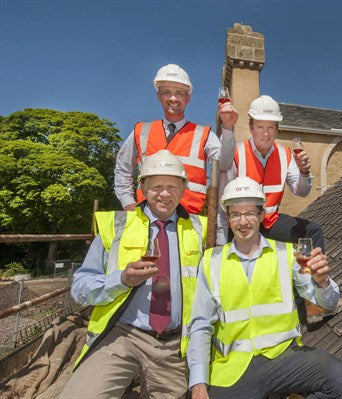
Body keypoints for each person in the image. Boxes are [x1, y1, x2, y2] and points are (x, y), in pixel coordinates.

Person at [187, 177, 342, 399]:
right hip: (234, 368)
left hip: (284, 357)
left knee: (341, 378)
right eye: (236, 214)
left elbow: (328, 302)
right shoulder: (211, 261)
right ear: (228, 218)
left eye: (249, 213)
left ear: (261, 215)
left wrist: (322, 281)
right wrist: (198, 384)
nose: (243, 221)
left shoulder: (288, 254)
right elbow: (200, 326)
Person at [61, 150, 207, 399]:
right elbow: (80, 287)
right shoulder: (116, 226)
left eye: (172, 186)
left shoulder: (202, 230)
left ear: (183, 189)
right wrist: (121, 280)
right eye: (157, 186)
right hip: (122, 336)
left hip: (174, 345)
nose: (165, 193)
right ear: (143, 187)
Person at [115, 63, 238, 215]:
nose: (173, 98)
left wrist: (227, 127)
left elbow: (224, 164)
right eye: (167, 92)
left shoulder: (204, 135)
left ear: (188, 98)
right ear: (158, 96)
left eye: (179, 93)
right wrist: (128, 202)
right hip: (145, 218)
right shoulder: (141, 131)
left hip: (188, 221)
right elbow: (122, 167)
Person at [219, 95, 324, 251]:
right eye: (260, 127)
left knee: (313, 231)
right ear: (251, 128)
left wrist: (304, 172)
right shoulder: (236, 153)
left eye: (270, 128)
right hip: (243, 223)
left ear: (277, 130)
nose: (266, 134)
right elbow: (223, 199)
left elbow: (302, 192)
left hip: (270, 222)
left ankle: (311, 274)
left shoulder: (286, 154)